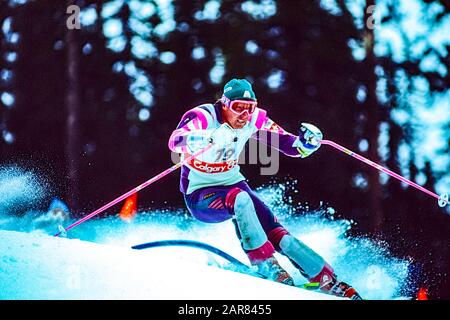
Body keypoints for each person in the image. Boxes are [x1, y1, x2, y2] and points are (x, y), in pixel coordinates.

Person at [168, 78, 362, 300]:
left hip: (232, 183)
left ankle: (326, 279)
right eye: (237, 107)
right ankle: (266, 264)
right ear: (224, 104)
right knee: (240, 199)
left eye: (249, 108)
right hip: (200, 193)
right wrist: (206, 137)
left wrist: (306, 144)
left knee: (277, 233)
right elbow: (175, 141)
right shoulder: (203, 116)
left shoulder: (254, 119)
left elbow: (287, 144)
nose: (243, 114)